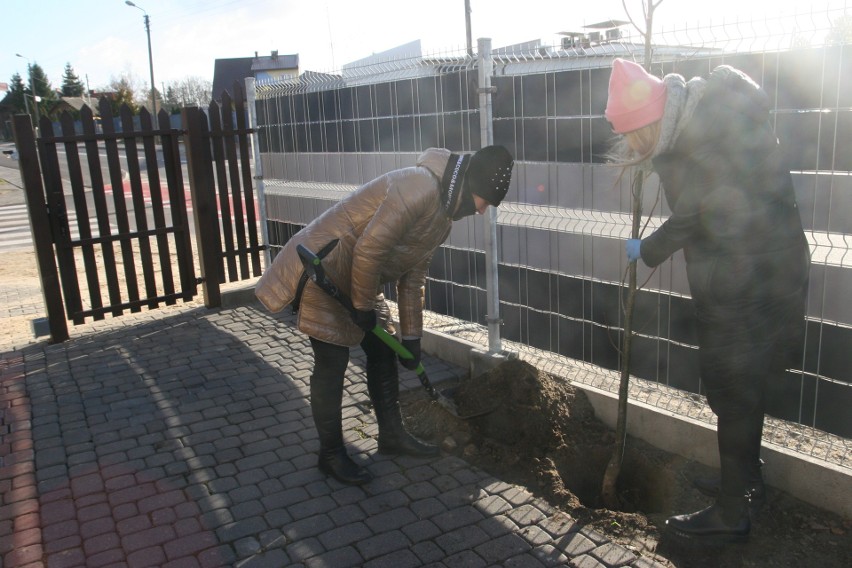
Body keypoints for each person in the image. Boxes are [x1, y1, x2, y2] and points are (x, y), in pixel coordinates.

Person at [604, 58, 810, 542]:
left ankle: (731, 513)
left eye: (637, 138)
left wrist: (645, 250)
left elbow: (697, 212)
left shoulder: (705, 132)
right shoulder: (708, 117)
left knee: (732, 385)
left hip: (748, 276)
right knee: (743, 384)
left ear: (653, 120)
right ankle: (746, 482)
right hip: (764, 268)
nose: (637, 149)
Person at [255, 146, 514, 485]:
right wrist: (362, 309)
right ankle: (331, 454)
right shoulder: (417, 186)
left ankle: (391, 435)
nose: (482, 212)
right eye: (485, 201)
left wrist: (412, 338)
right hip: (325, 269)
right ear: (471, 185)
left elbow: (413, 278)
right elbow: (369, 249)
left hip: (359, 277)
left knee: (385, 350)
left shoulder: (442, 219)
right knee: (332, 362)